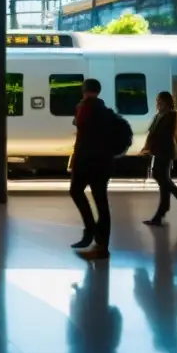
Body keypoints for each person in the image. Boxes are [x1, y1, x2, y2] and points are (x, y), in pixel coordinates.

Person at [141, 91, 177, 226]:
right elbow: (152, 133)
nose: (157, 104)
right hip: (159, 152)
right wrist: (147, 146)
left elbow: (162, 135)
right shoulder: (160, 115)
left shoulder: (171, 116)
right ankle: (162, 213)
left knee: (164, 181)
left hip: (164, 153)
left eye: (160, 102)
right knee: (164, 183)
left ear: (167, 102)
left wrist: (150, 147)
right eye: (157, 101)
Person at [69, 78, 113, 260]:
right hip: (103, 161)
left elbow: (83, 137)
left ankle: (95, 238)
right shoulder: (101, 109)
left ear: (84, 90)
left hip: (88, 161)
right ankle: (98, 240)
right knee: (101, 201)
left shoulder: (85, 108)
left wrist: (74, 160)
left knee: (77, 192)